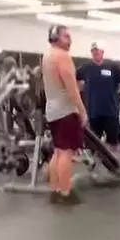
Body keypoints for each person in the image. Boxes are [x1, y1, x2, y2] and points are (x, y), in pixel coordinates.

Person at [42, 24, 87, 205]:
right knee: (66, 153)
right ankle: (66, 192)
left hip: (52, 110)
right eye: (66, 36)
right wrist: (82, 111)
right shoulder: (63, 57)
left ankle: (55, 190)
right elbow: (72, 89)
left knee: (58, 151)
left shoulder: (47, 56)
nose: (70, 40)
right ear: (56, 38)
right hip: (66, 110)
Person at [76, 42, 120, 151]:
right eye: (93, 51)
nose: (95, 53)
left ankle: (112, 164)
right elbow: (74, 78)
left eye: (97, 50)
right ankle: (96, 163)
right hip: (93, 111)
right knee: (93, 142)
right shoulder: (86, 67)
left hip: (110, 110)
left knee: (112, 141)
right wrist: (81, 88)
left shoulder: (112, 66)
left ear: (102, 52)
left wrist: (118, 91)